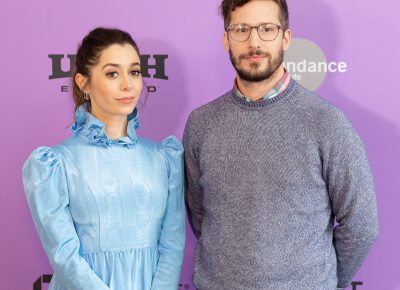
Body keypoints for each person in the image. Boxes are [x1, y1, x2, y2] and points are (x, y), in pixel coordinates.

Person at [183, 1, 378, 289]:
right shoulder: (201, 123)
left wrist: (319, 282)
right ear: (226, 39)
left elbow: (361, 225)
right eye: (241, 29)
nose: (254, 42)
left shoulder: (327, 123)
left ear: (286, 38)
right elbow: (200, 216)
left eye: (267, 29)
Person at [22, 27, 185, 290]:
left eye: (134, 71)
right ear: (83, 83)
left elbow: (173, 244)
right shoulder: (54, 164)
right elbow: (64, 256)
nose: (127, 84)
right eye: (112, 73)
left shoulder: (164, 159)